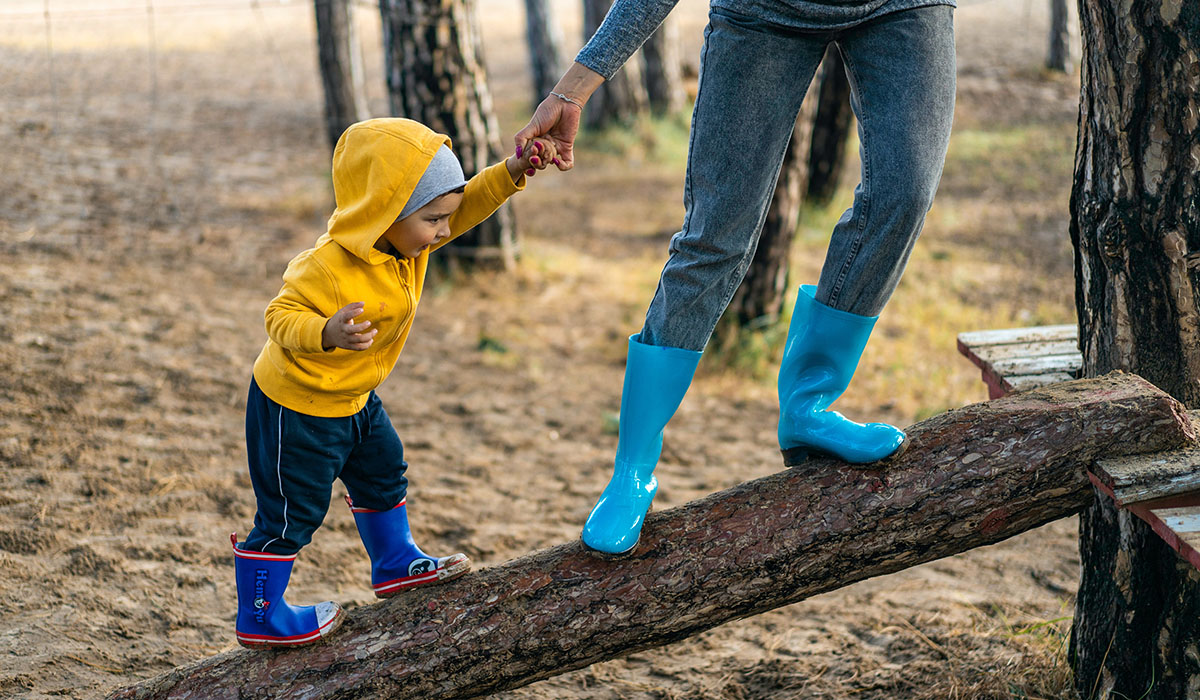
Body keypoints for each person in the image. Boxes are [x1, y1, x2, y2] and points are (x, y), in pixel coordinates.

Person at [515, 0, 956, 556]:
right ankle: (632, 471)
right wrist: (573, 88)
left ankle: (809, 406)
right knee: (714, 239)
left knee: (903, 198)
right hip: (763, 13)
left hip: (901, 9)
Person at [231, 117, 556, 648]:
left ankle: (395, 562)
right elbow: (277, 315)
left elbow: (466, 205)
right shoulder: (327, 266)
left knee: (384, 471)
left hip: (356, 398)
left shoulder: (409, 241)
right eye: (433, 220)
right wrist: (325, 331)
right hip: (299, 407)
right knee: (293, 512)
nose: (444, 231)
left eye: (443, 219)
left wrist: (513, 171)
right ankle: (260, 614)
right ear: (385, 212)